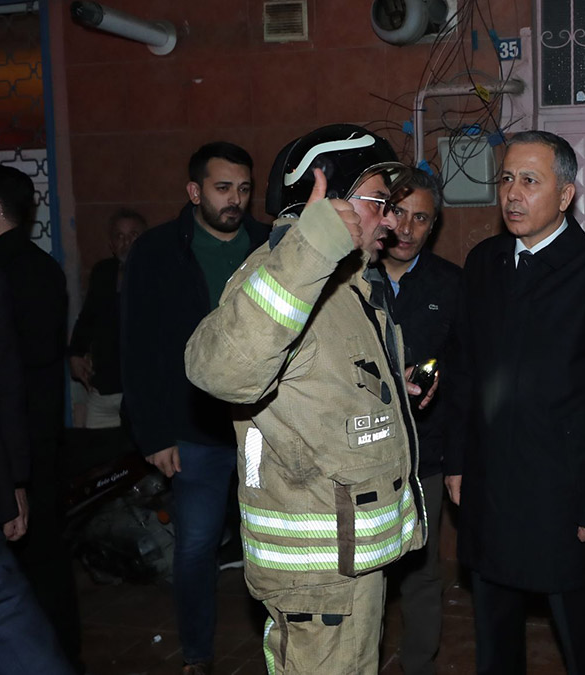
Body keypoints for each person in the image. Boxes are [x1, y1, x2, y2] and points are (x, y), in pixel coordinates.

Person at [185, 124, 431, 674]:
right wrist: (313, 246)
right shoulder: (287, 273)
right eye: (379, 203)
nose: (391, 222)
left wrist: (391, 388)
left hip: (350, 560)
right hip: (316, 577)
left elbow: (325, 379)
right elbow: (217, 369)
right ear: (327, 197)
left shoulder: (348, 281)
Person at [447, 129, 585, 674]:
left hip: (565, 496)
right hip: (491, 488)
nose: (513, 194)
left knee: (583, 644)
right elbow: (464, 371)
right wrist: (457, 461)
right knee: (494, 643)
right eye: (507, 179)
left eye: (530, 181)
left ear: (565, 195)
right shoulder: (483, 262)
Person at [121, 142, 270, 674]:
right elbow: (137, 347)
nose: (235, 200)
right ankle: (198, 656)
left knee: (273, 544)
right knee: (196, 547)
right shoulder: (158, 250)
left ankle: (284, 649)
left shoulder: (269, 244)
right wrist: (155, 433)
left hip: (262, 427)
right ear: (194, 191)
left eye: (244, 189)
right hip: (193, 429)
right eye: (222, 188)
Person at [0, 161, 80, 667]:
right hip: (37, 433)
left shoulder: (3, 271)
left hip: (14, 443)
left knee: (30, 562)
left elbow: (8, 373)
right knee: (45, 557)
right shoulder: (41, 266)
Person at [379, 168, 461, 675]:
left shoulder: (451, 284)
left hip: (424, 454)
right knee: (363, 576)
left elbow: (465, 368)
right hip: (359, 455)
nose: (407, 229)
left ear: (434, 225)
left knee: (422, 572)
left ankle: (418, 667)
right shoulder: (348, 278)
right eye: (398, 213)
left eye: (421, 218)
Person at [70, 208, 147, 429]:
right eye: (119, 236)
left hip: (142, 390)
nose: (126, 242)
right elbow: (88, 317)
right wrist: (75, 353)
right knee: (98, 447)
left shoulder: (158, 275)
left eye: (133, 235)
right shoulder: (103, 273)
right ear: (111, 244)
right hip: (104, 389)